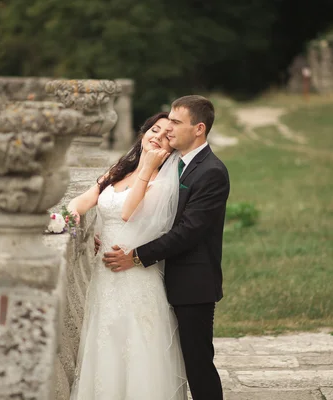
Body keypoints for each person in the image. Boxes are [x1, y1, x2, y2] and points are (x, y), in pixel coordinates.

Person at [102, 95, 230, 400]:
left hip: (192, 284)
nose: (168, 128)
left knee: (197, 364)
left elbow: (188, 232)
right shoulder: (174, 162)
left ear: (199, 128)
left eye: (175, 122)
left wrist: (135, 256)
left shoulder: (210, 171)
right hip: (159, 280)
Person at [67, 112, 188, 400]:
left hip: (135, 274)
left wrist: (147, 167)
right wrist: (69, 220)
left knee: (135, 343)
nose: (157, 136)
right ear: (144, 132)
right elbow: (83, 200)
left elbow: (127, 212)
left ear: (171, 147)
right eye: (154, 130)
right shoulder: (120, 170)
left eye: (166, 135)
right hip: (104, 275)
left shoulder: (163, 181)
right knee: (106, 340)